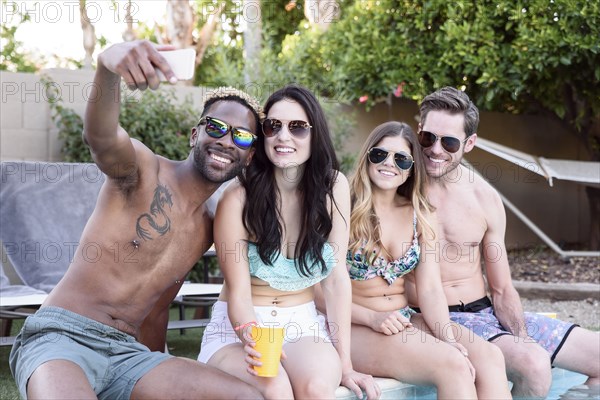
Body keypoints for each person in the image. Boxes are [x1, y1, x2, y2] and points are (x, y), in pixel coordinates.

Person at [9, 40, 263, 400]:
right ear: (196, 134)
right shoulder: (143, 170)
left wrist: (159, 363)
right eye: (217, 127)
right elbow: (100, 137)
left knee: (245, 397)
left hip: (128, 356)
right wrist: (107, 67)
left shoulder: (209, 225)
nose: (226, 141)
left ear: (249, 156)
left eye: (241, 136)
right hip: (63, 339)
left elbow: (157, 307)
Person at [405, 86, 600, 397]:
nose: (436, 149)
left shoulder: (484, 198)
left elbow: (502, 288)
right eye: (428, 137)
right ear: (419, 131)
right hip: (427, 317)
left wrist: (521, 336)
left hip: (484, 314)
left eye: (450, 142)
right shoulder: (396, 188)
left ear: (469, 144)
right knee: (534, 365)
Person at [198, 84, 380, 399]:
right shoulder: (238, 198)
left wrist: (346, 364)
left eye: (297, 128)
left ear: (315, 134)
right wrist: (251, 337)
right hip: (238, 328)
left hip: (303, 325)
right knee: (276, 388)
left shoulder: (332, 187)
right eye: (273, 126)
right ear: (262, 135)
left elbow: (336, 280)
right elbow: (238, 295)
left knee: (315, 389)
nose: (284, 137)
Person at [346, 121, 511, 399]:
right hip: (353, 325)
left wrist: (446, 336)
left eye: (401, 159)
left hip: (405, 319)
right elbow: (318, 290)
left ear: (412, 167)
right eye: (379, 154)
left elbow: (431, 289)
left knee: (490, 357)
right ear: (367, 156)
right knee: (453, 366)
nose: (389, 164)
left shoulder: (419, 213)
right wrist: (373, 318)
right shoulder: (342, 207)